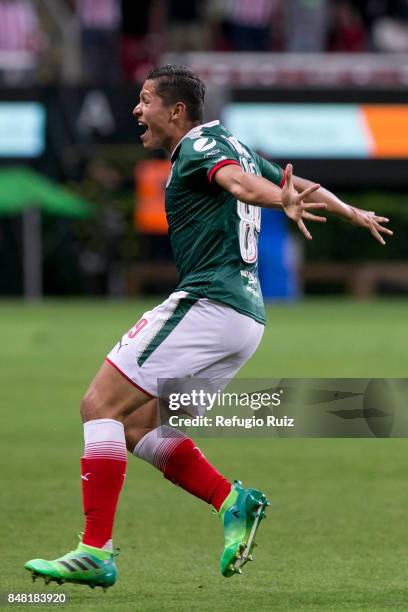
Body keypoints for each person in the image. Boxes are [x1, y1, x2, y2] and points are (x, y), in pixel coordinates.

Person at [25, 65, 392, 590]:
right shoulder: (231, 142)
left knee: (98, 406)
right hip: (246, 320)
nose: (136, 110)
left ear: (177, 112)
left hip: (209, 305)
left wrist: (277, 199)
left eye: (146, 100)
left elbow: (241, 185)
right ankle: (232, 501)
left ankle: (94, 550)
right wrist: (347, 209)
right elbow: (297, 184)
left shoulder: (200, 149)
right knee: (136, 425)